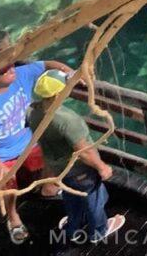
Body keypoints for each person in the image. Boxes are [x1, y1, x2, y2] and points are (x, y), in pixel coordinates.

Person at [0, 57, 72, 243]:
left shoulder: (20, 74)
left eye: (11, 66)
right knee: (8, 188)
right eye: (6, 70)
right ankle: (12, 216)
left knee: (53, 154)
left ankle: (48, 188)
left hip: (27, 140)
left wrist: (70, 73)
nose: (12, 69)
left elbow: (47, 64)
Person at [27, 69, 126, 243]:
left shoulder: (32, 112)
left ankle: (74, 227)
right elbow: (84, 152)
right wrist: (102, 167)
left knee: (71, 197)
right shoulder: (67, 120)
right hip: (79, 170)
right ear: (59, 94)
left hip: (59, 169)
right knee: (92, 199)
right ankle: (99, 232)